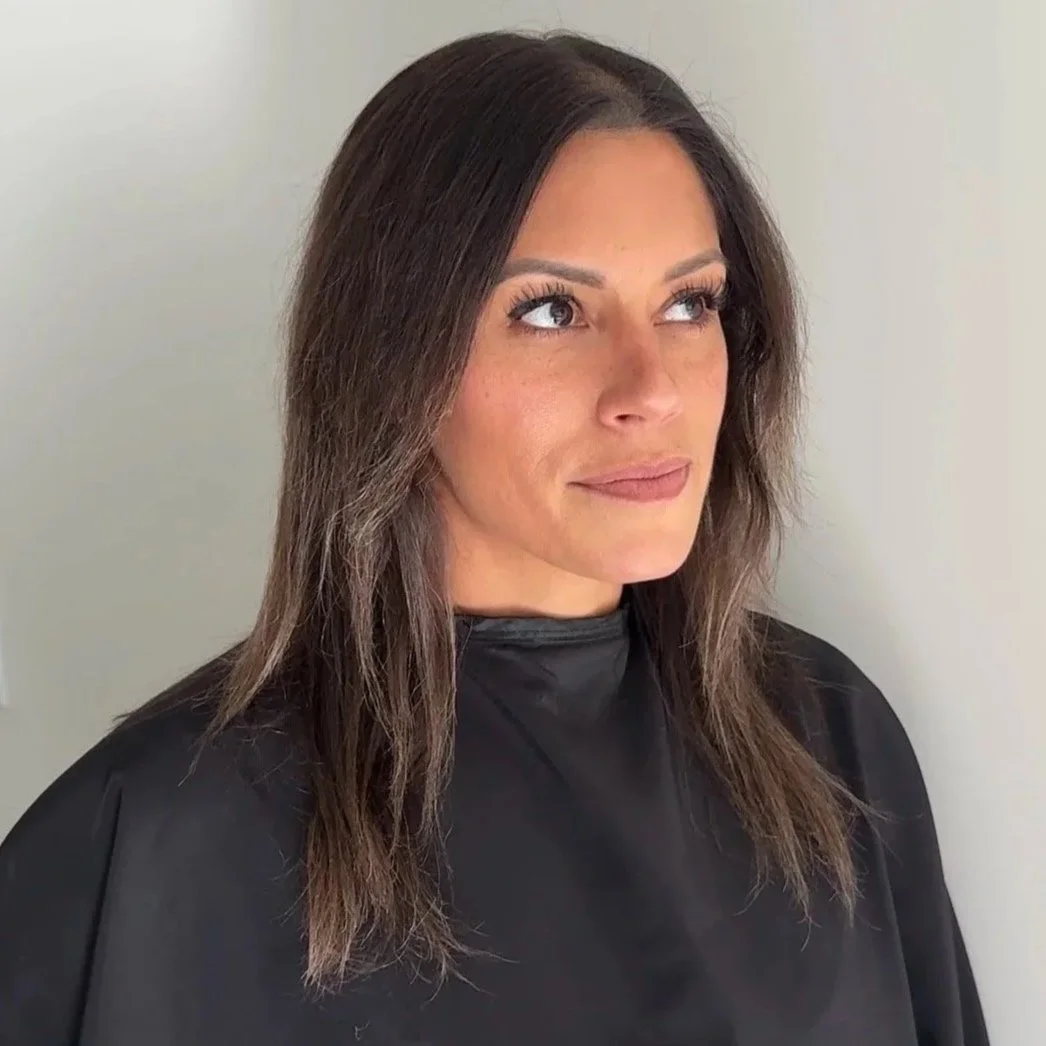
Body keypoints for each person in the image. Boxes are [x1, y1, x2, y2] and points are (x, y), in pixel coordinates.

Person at [0, 29, 989, 1046]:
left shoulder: (826, 739)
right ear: (394, 356)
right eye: (553, 310)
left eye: (689, 302)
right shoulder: (165, 833)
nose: (649, 389)